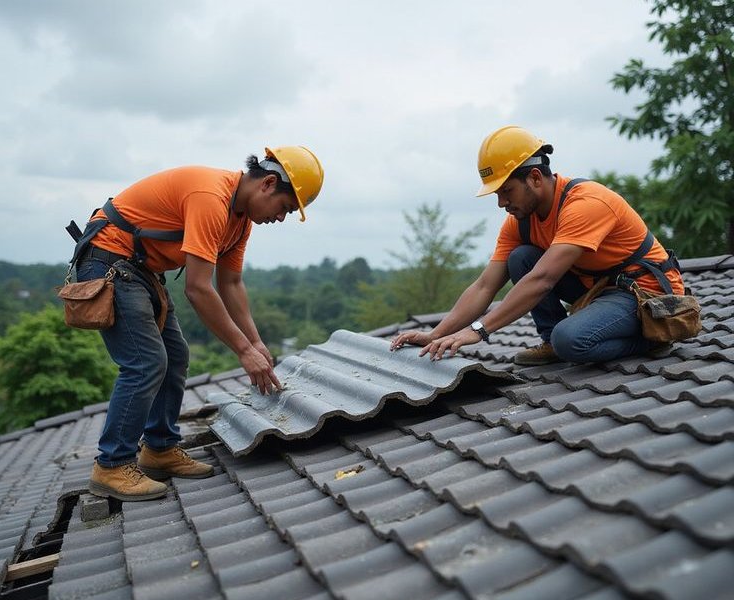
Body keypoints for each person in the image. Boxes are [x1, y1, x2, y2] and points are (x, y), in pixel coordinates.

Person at [70, 146, 324, 501]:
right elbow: (198, 289)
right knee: (145, 363)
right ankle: (111, 466)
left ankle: (158, 449)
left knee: (175, 356)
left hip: (140, 270)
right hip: (110, 260)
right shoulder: (211, 197)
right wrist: (242, 351)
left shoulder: (239, 222)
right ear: (268, 184)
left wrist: (256, 343)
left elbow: (231, 284)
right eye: (284, 208)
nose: (281, 218)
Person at [390, 125, 684, 366]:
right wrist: (435, 334)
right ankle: (550, 342)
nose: (502, 203)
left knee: (571, 341)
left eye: (507, 191)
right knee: (521, 258)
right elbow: (484, 286)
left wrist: (478, 331)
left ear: (534, 177)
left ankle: (655, 334)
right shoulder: (521, 221)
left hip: (642, 291)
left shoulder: (586, 204)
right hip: (598, 288)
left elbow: (543, 280)